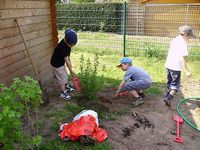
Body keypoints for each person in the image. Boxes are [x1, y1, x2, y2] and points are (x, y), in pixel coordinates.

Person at [164, 25, 195, 107]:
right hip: (175, 67)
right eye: (189, 36)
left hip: (168, 65)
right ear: (185, 34)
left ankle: (167, 94)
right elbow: (182, 59)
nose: (189, 38)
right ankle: (168, 98)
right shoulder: (183, 44)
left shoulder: (175, 40)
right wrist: (187, 70)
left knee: (170, 81)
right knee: (175, 85)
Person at [50, 29, 77, 100]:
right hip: (57, 64)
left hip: (60, 62)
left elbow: (68, 57)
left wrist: (71, 68)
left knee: (64, 74)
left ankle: (66, 86)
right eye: (72, 45)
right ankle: (63, 92)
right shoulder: (62, 48)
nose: (72, 46)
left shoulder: (67, 44)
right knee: (62, 78)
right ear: (68, 42)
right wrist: (71, 71)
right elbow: (66, 61)